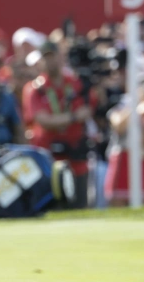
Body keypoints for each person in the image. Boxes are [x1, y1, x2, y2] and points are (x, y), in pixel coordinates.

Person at [22, 41, 92, 208]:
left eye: (52, 56)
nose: (49, 61)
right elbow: (44, 120)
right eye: (45, 57)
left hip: (75, 156)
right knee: (52, 208)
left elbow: (88, 109)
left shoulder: (75, 83)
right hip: (48, 158)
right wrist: (73, 117)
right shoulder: (35, 88)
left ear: (60, 57)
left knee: (79, 207)